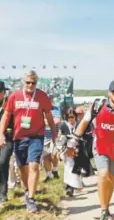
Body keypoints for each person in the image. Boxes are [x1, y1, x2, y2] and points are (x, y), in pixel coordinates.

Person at [0, 70, 57, 213]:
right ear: (23, 82)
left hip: (36, 136)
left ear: (36, 83)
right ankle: (27, 190)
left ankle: (31, 199)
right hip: (19, 137)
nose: (30, 85)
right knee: (22, 168)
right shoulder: (14, 96)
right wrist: (0, 133)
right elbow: (6, 116)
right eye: (28, 82)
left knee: (34, 166)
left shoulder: (42, 96)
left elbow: (49, 116)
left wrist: (54, 133)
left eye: (33, 83)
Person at [74, 80, 114, 220]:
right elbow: (85, 121)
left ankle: (107, 207)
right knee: (103, 175)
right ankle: (104, 211)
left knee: (111, 177)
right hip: (100, 146)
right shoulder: (98, 105)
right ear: (109, 92)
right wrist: (75, 138)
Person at [0, 81, 14, 203]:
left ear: (4, 92)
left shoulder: (9, 104)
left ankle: (3, 193)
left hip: (7, 139)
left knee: (3, 162)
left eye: (0, 92)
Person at [42, 95, 61, 182]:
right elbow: (40, 122)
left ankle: (55, 170)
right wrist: (50, 121)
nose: (49, 101)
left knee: (54, 155)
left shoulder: (56, 109)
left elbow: (57, 121)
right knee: (45, 156)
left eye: (50, 99)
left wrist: (46, 121)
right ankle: (49, 175)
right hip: (44, 136)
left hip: (54, 135)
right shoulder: (41, 109)